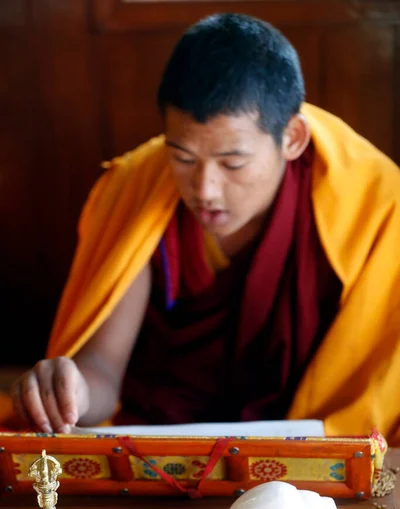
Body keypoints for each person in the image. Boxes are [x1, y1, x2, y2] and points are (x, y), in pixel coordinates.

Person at [11, 14, 400, 443]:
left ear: (292, 138)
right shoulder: (138, 188)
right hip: (165, 444)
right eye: (182, 157)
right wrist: (72, 392)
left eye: (232, 163)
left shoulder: (376, 207)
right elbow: (103, 368)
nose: (204, 189)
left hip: (301, 458)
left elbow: (370, 403)